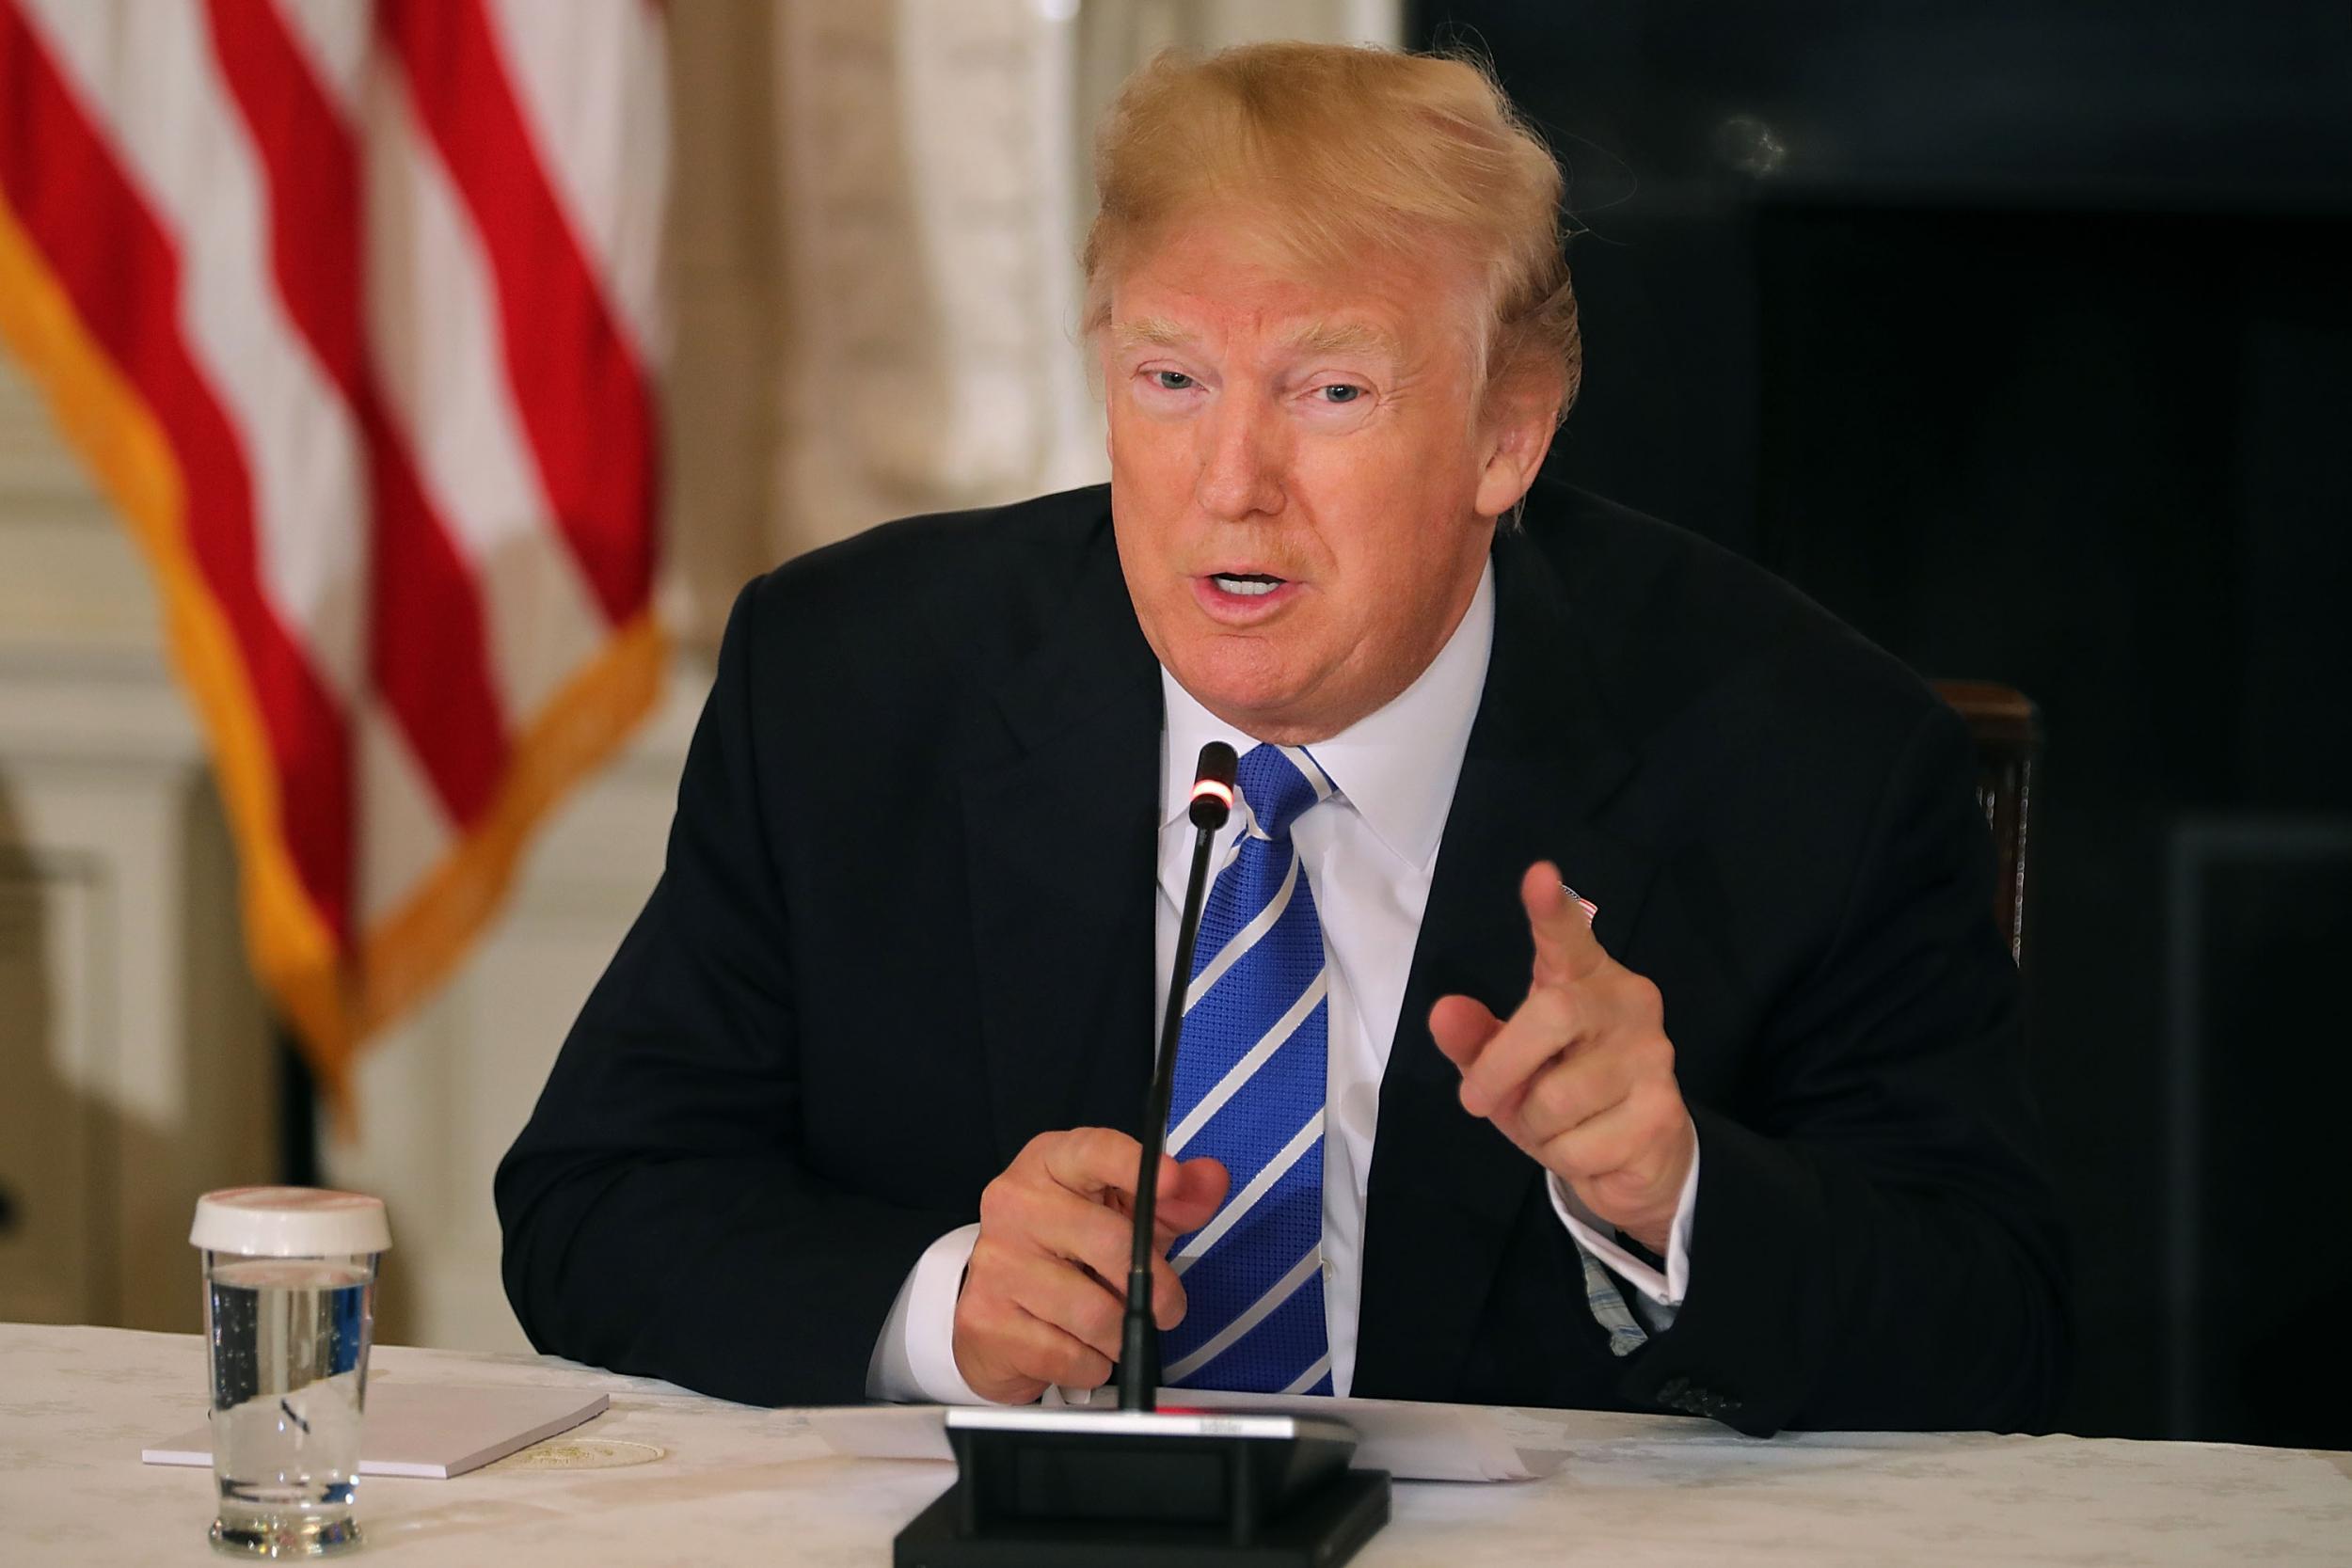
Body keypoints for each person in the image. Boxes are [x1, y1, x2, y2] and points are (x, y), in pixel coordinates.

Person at [497, 41, 2067, 1436]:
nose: (1231, 481)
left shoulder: (1808, 753)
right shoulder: (853, 686)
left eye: (1330, 392)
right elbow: (597, 1203)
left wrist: (1678, 1198)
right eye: (1171, 379)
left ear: (1506, 434)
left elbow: (1999, 1326)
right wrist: (942, 1306)